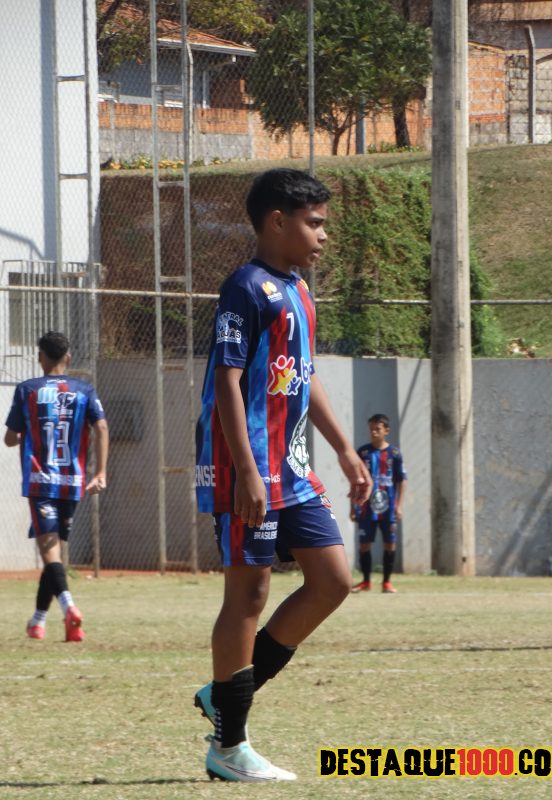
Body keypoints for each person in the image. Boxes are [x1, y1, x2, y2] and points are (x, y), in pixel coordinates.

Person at [194, 168, 372, 782]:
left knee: (333, 581)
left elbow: (304, 373)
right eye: (314, 223)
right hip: (246, 467)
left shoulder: (298, 290)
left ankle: (223, 696)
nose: (323, 235)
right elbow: (226, 380)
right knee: (249, 595)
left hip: (291, 469)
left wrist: (344, 449)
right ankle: (229, 747)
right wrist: (246, 470)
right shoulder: (245, 287)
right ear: (277, 221)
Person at [4, 331, 108, 642]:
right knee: (55, 554)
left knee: (50, 555)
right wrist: (101, 472)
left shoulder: (28, 390)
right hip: (72, 483)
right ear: (68, 358)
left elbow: (10, 438)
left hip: (40, 482)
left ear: (40, 357)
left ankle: (69, 607)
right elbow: (102, 426)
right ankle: (37, 622)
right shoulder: (84, 390)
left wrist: (28, 434)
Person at [351, 413, 407, 594]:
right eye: (371, 429)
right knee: (364, 544)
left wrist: (399, 505)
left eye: (378, 429)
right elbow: (355, 480)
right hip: (366, 507)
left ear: (386, 431)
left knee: (390, 543)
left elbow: (402, 480)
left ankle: (387, 582)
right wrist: (353, 506)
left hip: (388, 508)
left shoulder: (394, 454)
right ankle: (366, 581)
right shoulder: (363, 453)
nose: (374, 432)